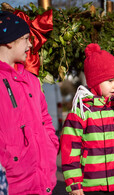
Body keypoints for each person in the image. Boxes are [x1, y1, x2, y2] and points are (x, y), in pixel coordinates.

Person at [60, 43, 114, 195]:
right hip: (90, 184)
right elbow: (70, 148)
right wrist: (74, 182)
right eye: (110, 81)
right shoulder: (81, 111)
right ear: (96, 81)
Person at [0, 11, 59, 194]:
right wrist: (9, 159)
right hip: (14, 183)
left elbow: (45, 118)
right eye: (25, 38)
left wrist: (51, 143)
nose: (30, 44)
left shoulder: (31, 80)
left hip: (43, 178)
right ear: (9, 41)